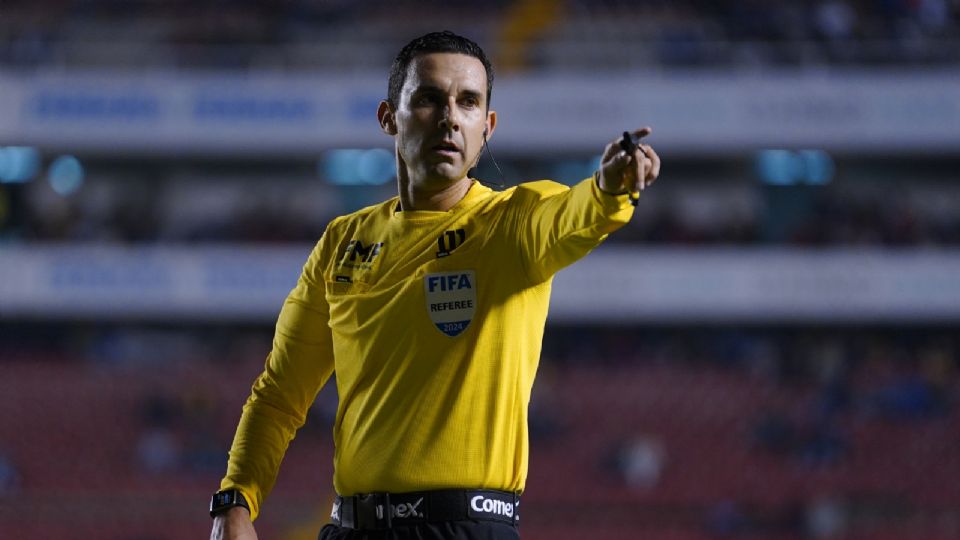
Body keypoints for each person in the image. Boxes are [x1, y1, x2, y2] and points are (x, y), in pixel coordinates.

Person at [209, 30, 661, 540]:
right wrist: (236, 501)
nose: (450, 118)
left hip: (467, 529)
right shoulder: (343, 242)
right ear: (388, 118)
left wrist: (610, 189)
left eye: (468, 103)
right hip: (352, 530)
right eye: (428, 99)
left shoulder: (513, 223)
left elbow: (575, 214)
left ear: (486, 127)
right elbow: (279, 395)